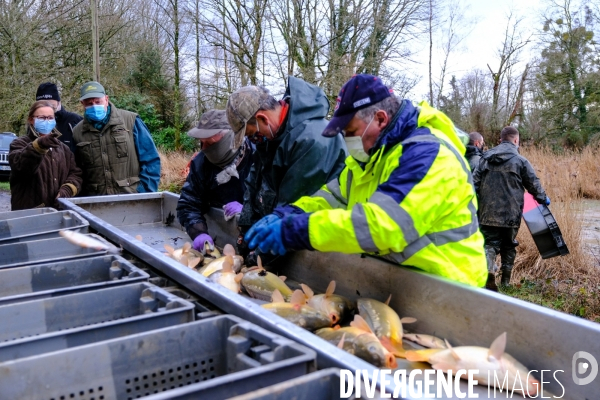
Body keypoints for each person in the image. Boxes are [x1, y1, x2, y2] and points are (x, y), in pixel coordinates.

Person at [244, 74, 488, 287]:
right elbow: (330, 199)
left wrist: (298, 230)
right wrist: (287, 214)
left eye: (351, 131)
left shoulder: (428, 155)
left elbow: (384, 226)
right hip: (403, 283)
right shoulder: (368, 159)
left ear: (380, 119)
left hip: (449, 287)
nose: (347, 139)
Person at [226, 76, 347, 261]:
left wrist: (257, 257)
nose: (253, 140)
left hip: (320, 246)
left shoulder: (313, 140)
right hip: (285, 231)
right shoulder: (270, 136)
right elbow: (254, 181)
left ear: (262, 119)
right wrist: (246, 226)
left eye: (252, 135)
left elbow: (293, 207)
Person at [473, 126, 549, 288]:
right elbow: (533, 185)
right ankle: (506, 283)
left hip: (487, 213)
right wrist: (543, 199)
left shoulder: (485, 158)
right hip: (511, 214)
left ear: (501, 139)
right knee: (509, 245)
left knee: (489, 244)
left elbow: (473, 184)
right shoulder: (521, 161)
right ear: (515, 140)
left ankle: (488, 271)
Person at [177, 109, 254, 253]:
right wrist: (199, 233)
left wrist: (250, 210)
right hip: (221, 237)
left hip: (257, 239)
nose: (205, 149)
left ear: (229, 137)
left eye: (210, 143)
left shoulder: (258, 156)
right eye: (202, 143)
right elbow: (189, 204)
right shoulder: (200, 164)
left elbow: (280, 203)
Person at [72, 81, 161, 195]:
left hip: (132, 197)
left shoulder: (131, 121)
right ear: (82, 103)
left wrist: (144, 192)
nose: (94, 106)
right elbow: (77, 171)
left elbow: (151, 159)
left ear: (106, 99)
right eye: (89, 103)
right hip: (97, 203)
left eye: (98, 102)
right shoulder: (77, 132)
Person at [9, 100, 82, 210]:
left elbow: (75, 173)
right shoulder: (19, 144)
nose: (46, 121)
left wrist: (67, 190)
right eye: (42, 118)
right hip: (29, 213)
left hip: (58, 212)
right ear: (31, 120)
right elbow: (21, 168)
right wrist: (38, 146)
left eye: (50, 118)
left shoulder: (63, 148)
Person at [35, 82, 83, 153]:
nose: (47, 108)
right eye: (42, 105)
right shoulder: (35, 124)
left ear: (59, 102)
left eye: (50, 104)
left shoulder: (74, 121)